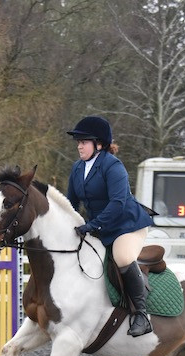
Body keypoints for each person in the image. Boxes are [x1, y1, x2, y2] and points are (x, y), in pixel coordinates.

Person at [65, 116, 154, 337]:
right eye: (78, 141)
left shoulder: (113, 166)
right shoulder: (77, 169)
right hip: (100, 226)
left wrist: (92, 225)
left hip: (127, 225)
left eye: (84, 141)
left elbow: (117, 203)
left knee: (122, 258)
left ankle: (142, 315)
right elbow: (71, 204)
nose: (79, 146)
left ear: (99, 144)